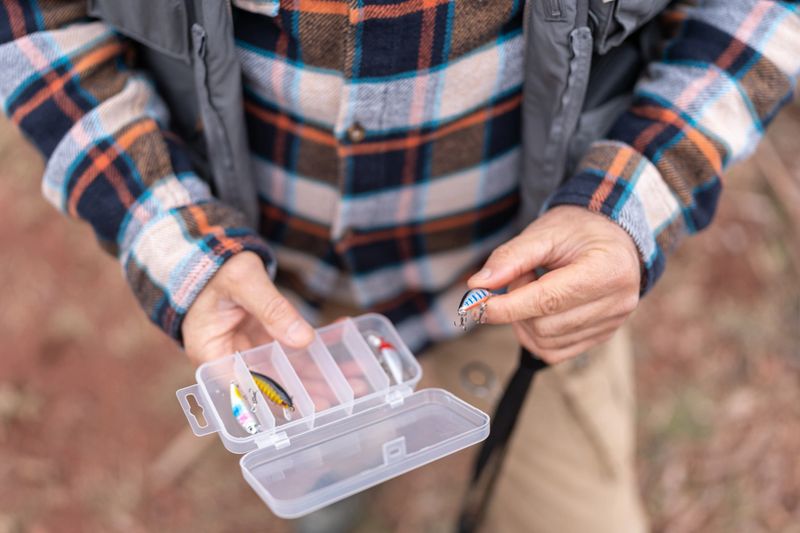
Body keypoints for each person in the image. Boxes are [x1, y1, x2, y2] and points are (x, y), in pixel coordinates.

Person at [1, 0, 797, 531]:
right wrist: (179, 242)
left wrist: (628, 208)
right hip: (279, 311)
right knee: (322, 482)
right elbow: (35, 21)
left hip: (524, 294)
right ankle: (333, 489)